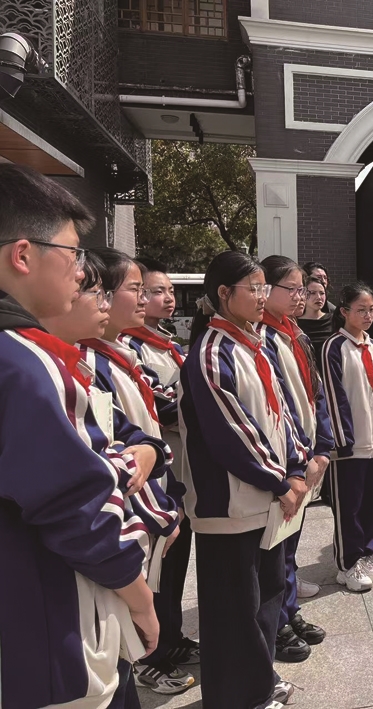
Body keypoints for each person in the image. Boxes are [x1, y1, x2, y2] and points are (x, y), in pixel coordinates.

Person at [0, 164, 157, 709]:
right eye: (72, 253)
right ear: (23, 255)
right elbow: (75, 506)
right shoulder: (23, 362)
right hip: (47, 623)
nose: (81, 271)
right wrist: (139, 598)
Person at [180, 251, 307, 709]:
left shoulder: (255, 345)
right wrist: (282, 481)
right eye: (253, 289)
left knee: (265, 599)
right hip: (229, 505)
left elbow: (282, 416)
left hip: (266, 498)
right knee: (234, 610)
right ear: (223, 293)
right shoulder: (212, 353)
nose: (261, 296)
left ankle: (257, 683)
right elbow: (232, 434)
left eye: (262, 287)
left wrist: (296, 468)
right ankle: (238, 697)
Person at [77, 249, 188, 695]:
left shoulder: (122, 352)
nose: (145, 299)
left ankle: (166, 645)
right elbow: (115, 446)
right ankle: (151, 661)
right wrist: (158, 507)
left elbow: (144, 434)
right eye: (137, 289)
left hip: (156, 492)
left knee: (165, 584)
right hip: (130, 508)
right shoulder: (90, 362)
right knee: (131, 610)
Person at [119, 260, 201, 690]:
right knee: (153, 568)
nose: (166, 298)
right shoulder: (129, 347)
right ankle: (149, 658)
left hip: (176, 471)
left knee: (174, 563)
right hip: (148, 479)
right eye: (153, 290)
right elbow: (166, 405)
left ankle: (171, 637)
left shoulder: (165, 342)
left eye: (168, 290)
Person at [258, 255, 333, 664]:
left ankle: (288, 610)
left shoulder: (295, 334)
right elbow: (277, 408)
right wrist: (295, 463)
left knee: (290, 546)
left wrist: (322, 449)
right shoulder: (261, 338)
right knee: (274, 550)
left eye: (303, 288)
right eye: (292, 288)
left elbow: (314, 394)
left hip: (307, 455)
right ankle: (276, 621)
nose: (300, 296)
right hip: (285, 462)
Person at [322, 283, 373, 592]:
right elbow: (334, 398)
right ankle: (347, 563)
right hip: (349, 446)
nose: (368, 316)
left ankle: (365, 555)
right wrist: (342, 440)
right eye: (361, 310)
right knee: (348, 507)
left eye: (372, 310)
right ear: (344, 311)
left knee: (369, 504)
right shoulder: (334, 347)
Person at [297, 276, 333, 366]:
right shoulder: (296, 324)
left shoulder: (334, 320)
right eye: (312, 293)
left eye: (322, 293)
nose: (318, 297)